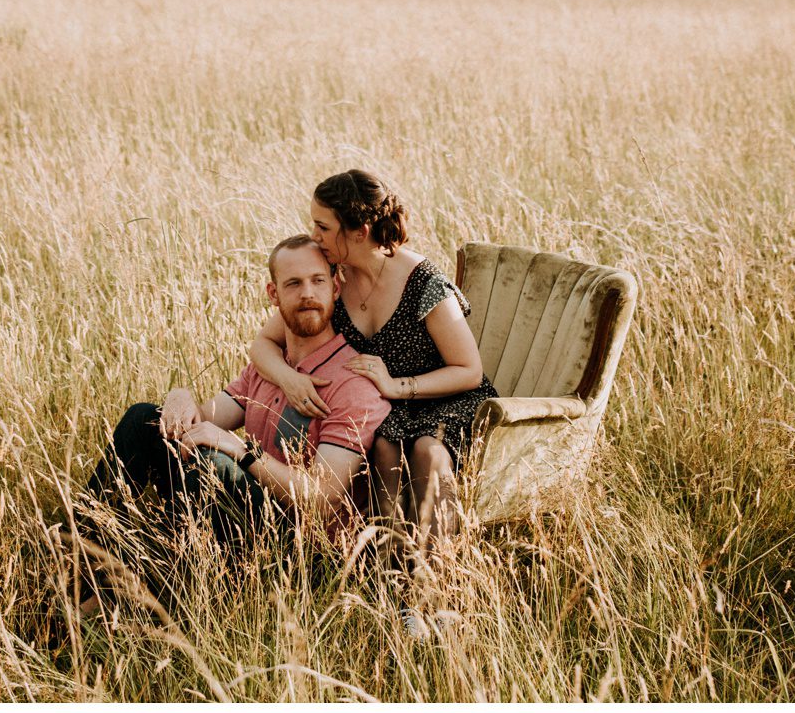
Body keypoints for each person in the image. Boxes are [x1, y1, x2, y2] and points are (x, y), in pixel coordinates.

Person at [84, 234, 390, 547]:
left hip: (296, 545)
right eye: (293, 284)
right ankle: (84, 555)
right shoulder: (271, 366)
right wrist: (180, 396)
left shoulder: (353, 381)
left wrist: (241, 452)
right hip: (238, 513)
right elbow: (202, 421)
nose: (308, 294)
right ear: (273, 293)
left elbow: (321, 498)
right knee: (145, 418)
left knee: (214, 466)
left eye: (318, 281)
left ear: (335, 289)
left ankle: (150, 576)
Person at [248, 170, 497, 552]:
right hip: (388, 407)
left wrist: (398, 386)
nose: (314, 235)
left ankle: (434, 587)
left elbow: (469, 370)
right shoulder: (335, 277)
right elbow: (264, 342)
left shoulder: (424, 283)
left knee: (427, 453)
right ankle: (388, 569)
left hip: (447, 398)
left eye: (323, 226)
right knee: (384, 446)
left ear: (359, 232)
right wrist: (288, 379)